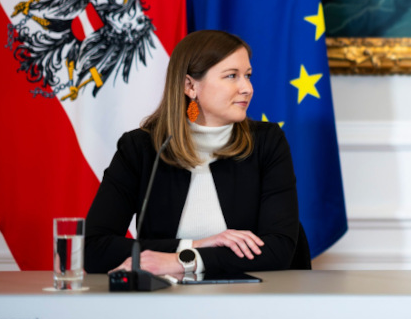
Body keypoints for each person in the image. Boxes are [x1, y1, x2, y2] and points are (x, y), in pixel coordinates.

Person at [84, 30, 307, 277]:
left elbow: (279, 249)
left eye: (248, 76)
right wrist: (194, 245)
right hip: (165, 302)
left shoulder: (266, 142)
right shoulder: (141, 148)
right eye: (232, 76)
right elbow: (94, 249)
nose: (247, 88)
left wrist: (183, 261)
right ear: (190, 85)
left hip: (250, 302)